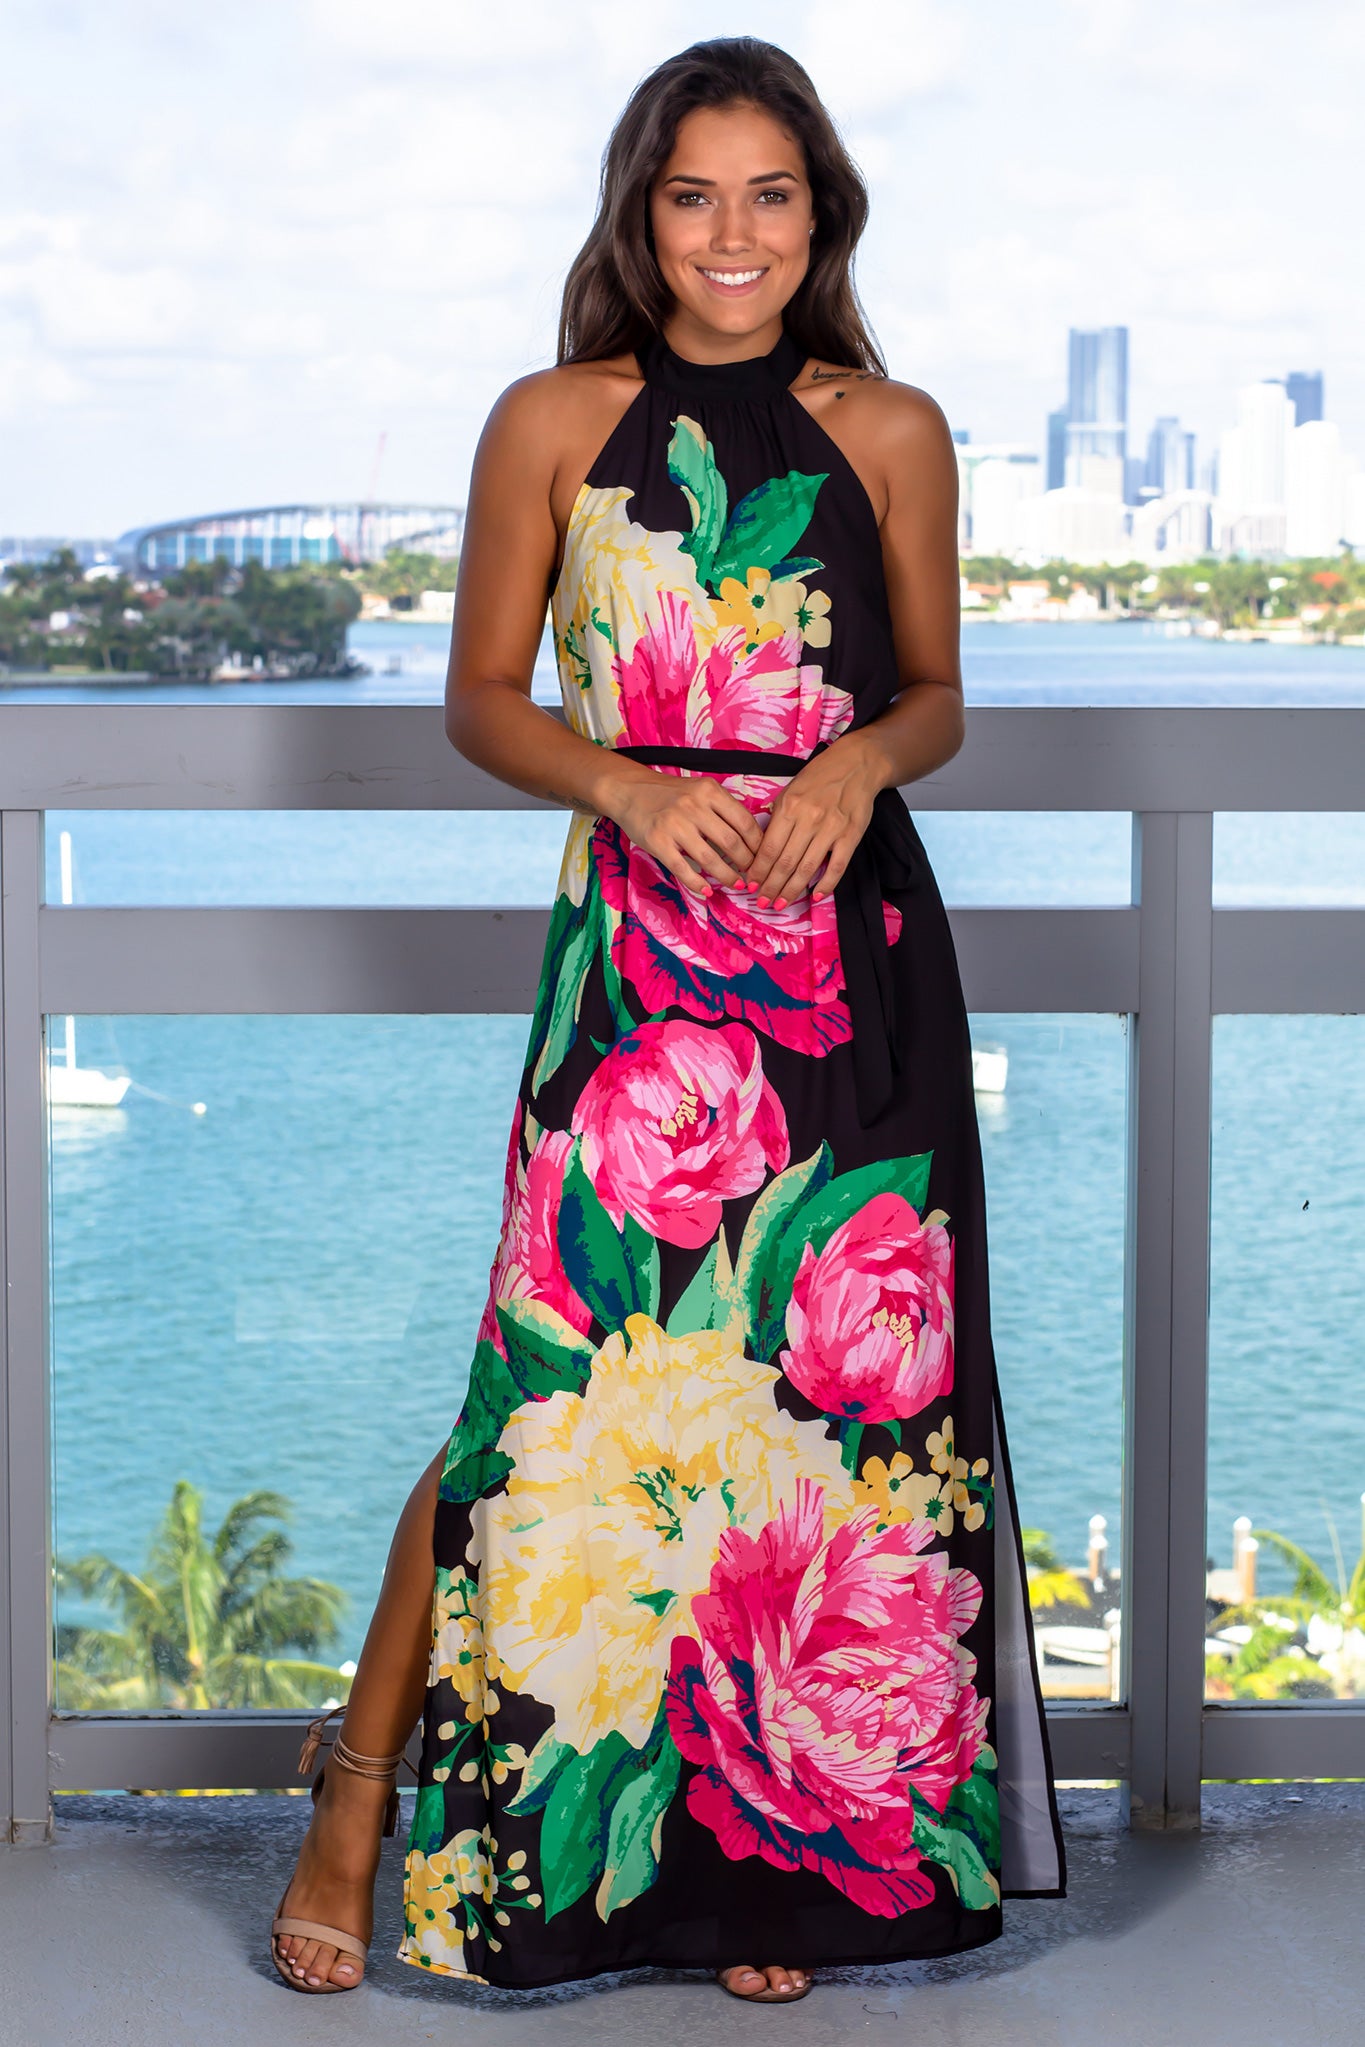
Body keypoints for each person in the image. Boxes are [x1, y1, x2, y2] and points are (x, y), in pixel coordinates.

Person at [269, 33, 1065, 2009]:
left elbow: (939, 691)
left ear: (821, 216)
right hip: (632, 953)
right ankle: (352, 1807)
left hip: (839, 949)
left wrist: (860, 766)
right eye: (692, 194)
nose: (731, 233)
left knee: (812, 1417)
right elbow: (479, 694)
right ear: (640, 212)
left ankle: (749, 1872)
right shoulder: (552, 415)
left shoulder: (887, 427)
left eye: (769, 195)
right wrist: (622, 786)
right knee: (548, 1400)